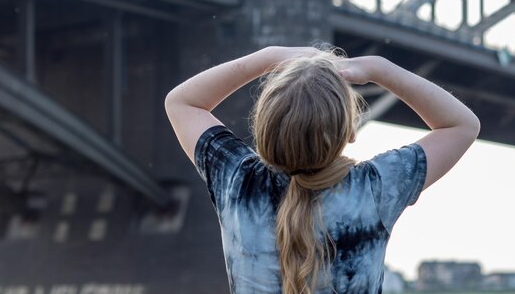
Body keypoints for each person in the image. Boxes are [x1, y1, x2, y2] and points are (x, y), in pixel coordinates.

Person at [165, 46, 480, 294]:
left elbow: (182, 102)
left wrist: (268, 57)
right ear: (350, 133)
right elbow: (462, 125)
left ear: (262, 128)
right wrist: (379, 68)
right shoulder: (373, 189)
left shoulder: (238, 182)